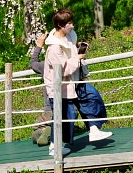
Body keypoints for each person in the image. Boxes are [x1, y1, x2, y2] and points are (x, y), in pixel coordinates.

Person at [29, 32, 112, 141]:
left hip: (52, 108)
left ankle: (47, 133)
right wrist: (77, 49)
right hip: (74, 105)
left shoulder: (45, 65)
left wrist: (39, 45)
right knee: (83, 106)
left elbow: (33, 63)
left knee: (37, 131)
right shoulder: (72, 61)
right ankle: (90, 129)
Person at [41, 9, 88, 156]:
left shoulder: (68, 37)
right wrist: (78, 58)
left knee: (67, 116)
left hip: (68, 85)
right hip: (57, 88)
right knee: (60, 117)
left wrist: (78, 46)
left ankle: (58, 144)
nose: (72, 26)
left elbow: (70, 50)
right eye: (69, 23)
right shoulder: (54, 48)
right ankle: (54, 146)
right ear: (61, 25)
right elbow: (64, 69)